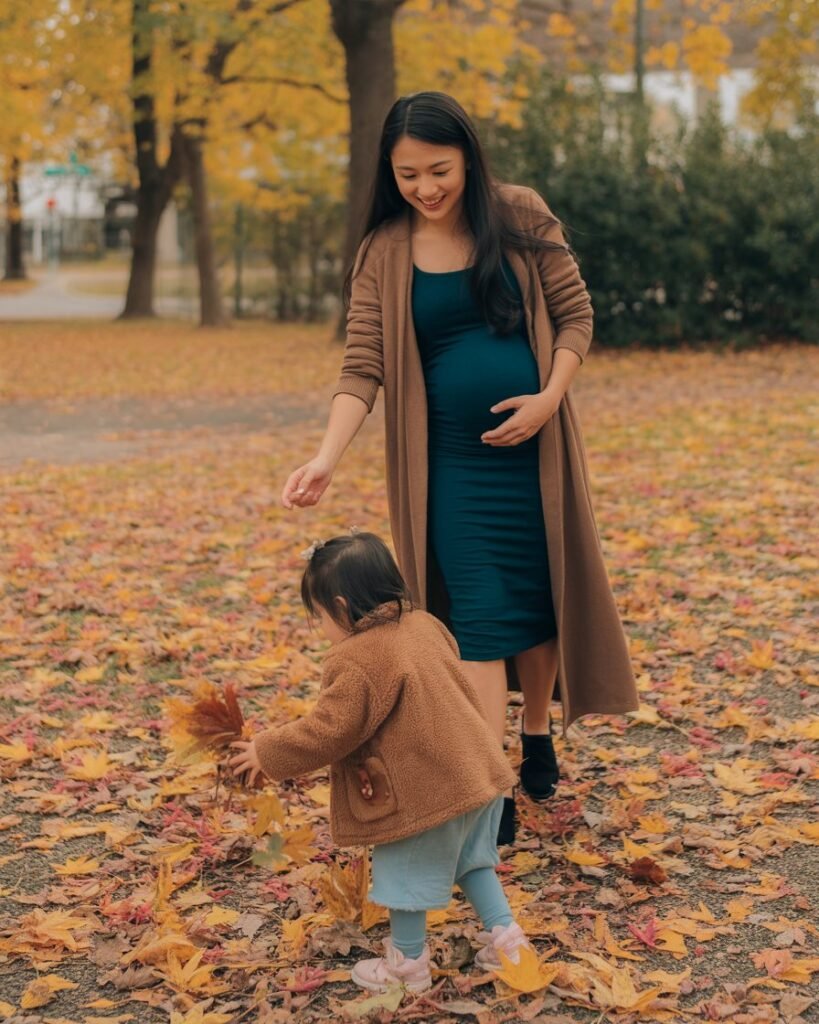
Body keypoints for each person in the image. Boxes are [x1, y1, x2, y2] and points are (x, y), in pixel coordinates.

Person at [281, 92, 639, 845]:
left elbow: (575, 315)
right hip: (448, 470)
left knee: (536, 605)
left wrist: (548, 398)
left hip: (535, 456)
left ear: (467, 158)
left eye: (437, 170)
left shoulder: (521, 215)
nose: (425, 187)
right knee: (475, 621)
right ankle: (492, 782)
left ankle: (535, 732)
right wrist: (323, 457)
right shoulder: (384, 248)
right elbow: (361, 366)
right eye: (408, 174)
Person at [229, 532, 533, 994]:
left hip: (426, 791)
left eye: (320, 616)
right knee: (473, 862)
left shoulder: (357, 657)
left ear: (340, 605)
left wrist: (267, 751)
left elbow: (329, 729)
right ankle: (508, 942)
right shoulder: (427, 625)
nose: (322, 628)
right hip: (479, 773)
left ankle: (407, 967)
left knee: (404, 874)